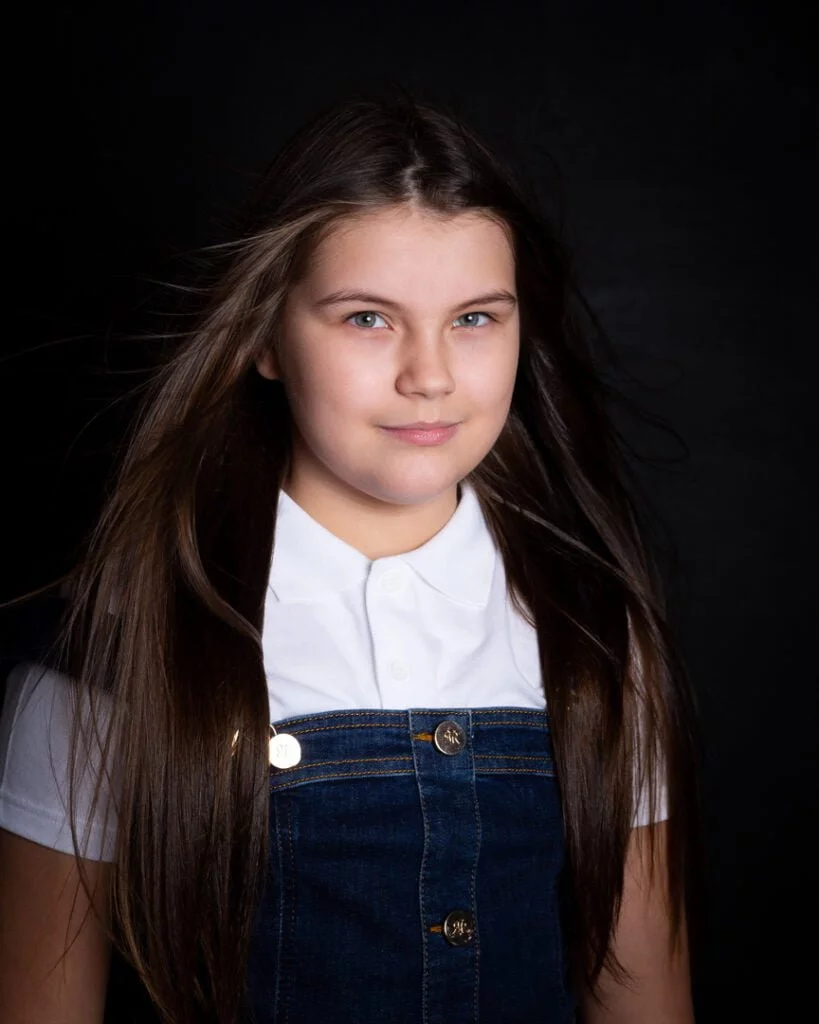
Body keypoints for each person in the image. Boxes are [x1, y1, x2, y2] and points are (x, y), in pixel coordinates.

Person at [0, 89, 701, 1023]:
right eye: (367, 318)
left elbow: (642, 988)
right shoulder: (109, 655)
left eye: (475, 318)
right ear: (264, 338)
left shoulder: (595, 636)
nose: (430, 374)